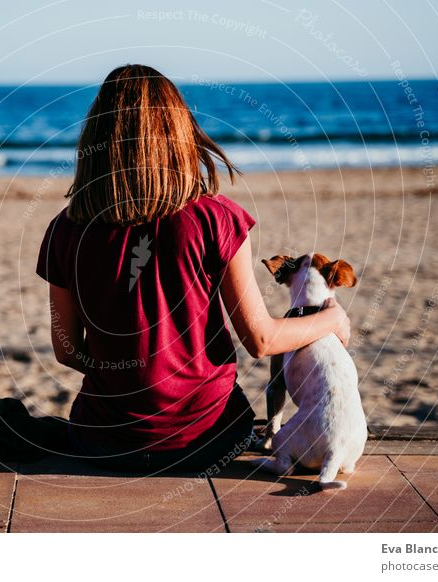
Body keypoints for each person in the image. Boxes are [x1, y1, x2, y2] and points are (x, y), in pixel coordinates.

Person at [36, 64, 351, 473]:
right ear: (177, 133)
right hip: (204, 440)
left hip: (101, 441)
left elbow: (66, 349)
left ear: (99, 137)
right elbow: (260, 338)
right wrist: (331, 318)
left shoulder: (66, 228)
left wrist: (128, 374)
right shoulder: (214, 218)